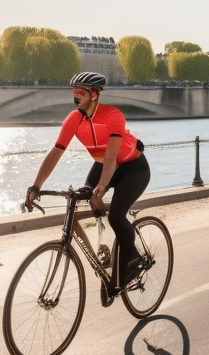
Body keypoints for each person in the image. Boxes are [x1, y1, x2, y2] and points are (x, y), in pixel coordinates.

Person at [25, 72, 150, 293]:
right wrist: (36, 186)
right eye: (74, 92)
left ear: (93, 95)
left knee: (116, 216)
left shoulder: (113, 116)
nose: (75, 97)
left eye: (80, 93)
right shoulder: (74, 119)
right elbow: (57, 151)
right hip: (103, 165)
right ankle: (101, 262)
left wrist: (101, 187)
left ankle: (133, 260)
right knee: (78, 202)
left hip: (133, 168)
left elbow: (112, 157)